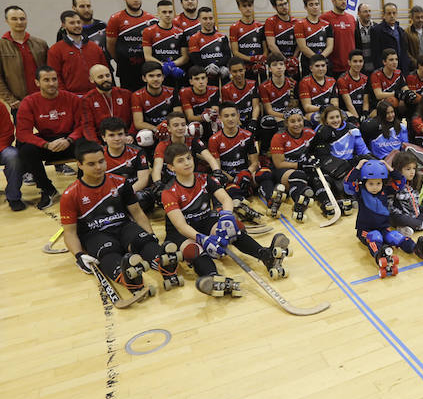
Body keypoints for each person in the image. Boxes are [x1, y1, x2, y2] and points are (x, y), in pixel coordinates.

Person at [161, 142, 290, 296]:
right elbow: (180, 226)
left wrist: (226, 217)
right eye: (180, 160)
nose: (187, 162)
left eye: (188, 158)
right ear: (171, 167)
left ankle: (265, 255)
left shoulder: (204, 178)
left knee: (232, 228)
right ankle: (212, 278)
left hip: (203, 221)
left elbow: (226, 200)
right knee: (194, 250)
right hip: (180, 231)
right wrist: (202, 239)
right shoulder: (168, 191)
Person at [61, 140, 178, 296]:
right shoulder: (70, 194)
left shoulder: (120, 183)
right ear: (79, 165)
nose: (98, 167)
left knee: (144, 241)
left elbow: (137, 213)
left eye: (101, 161)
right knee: (109, 251)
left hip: (123, 226)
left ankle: (163, 263)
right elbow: (69, 233)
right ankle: (129, 277)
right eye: (91, 164)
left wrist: (152, 235)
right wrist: (79, 256)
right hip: (95, 234)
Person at [345, 158, 423, 278]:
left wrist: (388, 167)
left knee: (395, 236)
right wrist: (358, 167)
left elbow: (400, 181)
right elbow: (348, 184)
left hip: (383, 228)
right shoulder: (360, 192)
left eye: (378, 183)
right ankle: (379, 255)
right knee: (375, 237)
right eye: (371, 183)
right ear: (364, 182)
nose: (375, 187)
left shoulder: (385, 191)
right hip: (366, 230)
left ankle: (416, 248)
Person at [16, 66, 84, 209]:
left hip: (68, 140)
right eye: (46, 80)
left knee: (88, 145)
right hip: (46, 142)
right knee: (25, 149)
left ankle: (82, 187)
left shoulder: (72, 99)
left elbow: (83, 125)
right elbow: (23, 133)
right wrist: (45, 144)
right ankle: (47, 189)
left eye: (54, 79)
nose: (52, 83)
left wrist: (69, 140)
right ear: (37, 82)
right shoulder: (29, 102)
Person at [206, 102, 264, 223]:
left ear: (238, 116)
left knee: (265, 174)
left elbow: (254, 162)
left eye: (233, 115)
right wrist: (233, 179)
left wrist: (246, 173)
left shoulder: (248, 135)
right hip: (228, 179)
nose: (230, 119)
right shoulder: (214, 140)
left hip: (245, 176)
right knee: (229, 187)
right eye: (226, 116)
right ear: (220, 118)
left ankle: (272, 202)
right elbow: (217, 169)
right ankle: (244, 209)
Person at [310, 105, 370, 217]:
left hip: (350, 165)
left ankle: (353, 197)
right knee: (321, 180)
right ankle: (327, 202)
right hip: (333, 168)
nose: (336, 120)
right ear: (326, 120)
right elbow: (318, 152)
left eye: (337, 117)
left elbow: (363, 151)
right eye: (331, 118)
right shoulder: (322, 131)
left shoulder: (353, 129)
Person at [266, 107, 319, 221]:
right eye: (292, 121)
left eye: (299, 120)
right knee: (298, 175)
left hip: (303, 168)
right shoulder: (278, 137)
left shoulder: (310, 133)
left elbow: (317, 152)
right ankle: (300, 200)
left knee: (315, 176)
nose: (297, 124)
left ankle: (309, 199)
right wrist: (299, 165)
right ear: (286, 123)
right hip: (283, 170)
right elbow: (279, 164)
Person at [107, 0, 157, 90]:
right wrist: (120, 60)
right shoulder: (116, 19)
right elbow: (110, 45)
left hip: (147, 68)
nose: (135, 0)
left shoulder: (151, 19)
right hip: (126, 70)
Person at [98, 117, 153, 214]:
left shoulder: (137, 152)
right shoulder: (98, 156)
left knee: (143, 198)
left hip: (133, 192)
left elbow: (143, 180)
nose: (117, 139)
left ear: (125, 135)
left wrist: (123, 194)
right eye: (111, 135)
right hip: (109, 195)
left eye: (120, 134)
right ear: (104, 137)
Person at [47, 10, 108, 95]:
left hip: (97, 95)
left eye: (79, 22)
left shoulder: (94, 47)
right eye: (72, 23)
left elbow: (104, 70)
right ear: (63, 25)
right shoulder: (55, 50)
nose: (77, 25)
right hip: (72, 97)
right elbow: (55, 76)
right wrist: (66, 96)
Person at [0, 5, 48, 113]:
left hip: (43, 100)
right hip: (18, 104)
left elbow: (50, 71)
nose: (19, 22)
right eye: (14, 19)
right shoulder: (1, 46)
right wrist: (10, 100)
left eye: (22, 19)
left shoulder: (41, 44)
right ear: (6, 21)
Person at [386, 150, 423, 232]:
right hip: (402, 216)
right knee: (397, 218)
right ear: (398, 170)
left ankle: (413, 225)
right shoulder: (393, 186)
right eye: (408, 169)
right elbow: (390, 208)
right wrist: (405, 217)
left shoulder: (413, 182)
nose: (412, 172)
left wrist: (415, 215)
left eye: (414, 168)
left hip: (414, 213)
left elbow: (416, 204)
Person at [142, 0, 189, 88]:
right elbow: (147, 57)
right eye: (164, 12)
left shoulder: (181, 32)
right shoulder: (148, 31)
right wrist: (163, 66)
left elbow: (185, 57)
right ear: (158, 14)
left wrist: (172, 65)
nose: (167, 15)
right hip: (157, 75)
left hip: (176, 73)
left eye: (170, 12)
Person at [81, 64, 133, 142]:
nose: (105, 79)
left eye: (107, 75)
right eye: (100, 77)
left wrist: (131, 135)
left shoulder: (126, 94)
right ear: (92, 80)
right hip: (102, 139)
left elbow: (135, 118)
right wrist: (97, 146)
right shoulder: (87, 99)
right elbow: (88, 126)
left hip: (126, 136)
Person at [257, 53, 295, 154]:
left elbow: (295, 106)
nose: (279, 67)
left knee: (305, 122)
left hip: (290, 115)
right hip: (275, 116)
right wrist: (285, 116)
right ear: (269, 69)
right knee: (267, 122)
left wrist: (291, 116)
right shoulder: (264, 86)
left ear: (285, 66)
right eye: (274, 65)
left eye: (281, 64)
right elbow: (269, 111)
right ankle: (265, 152)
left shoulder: (292, 83)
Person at [131, 61, 176, 137]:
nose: (156, 79)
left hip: (170, 128)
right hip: (151, 131)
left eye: (158, 75)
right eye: (151, 76)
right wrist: (157, 129)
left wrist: (166, 127)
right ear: (144, 78)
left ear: (163, 77)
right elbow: (138, 123)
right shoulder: (137, 95)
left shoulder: (172, 92)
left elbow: (178, 115)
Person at [188, 7, 231, 85]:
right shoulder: (194, 38)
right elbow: (195, 60)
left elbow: (227, 56)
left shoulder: (222, 37)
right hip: (204, 78)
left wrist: (219, 66)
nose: (208, 21)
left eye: (210, 18)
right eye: (205, 19)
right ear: (199, 20)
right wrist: (207, 68)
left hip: (222, 75)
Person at [229, 0, 266, 82]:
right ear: (239, 8)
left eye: (250, 5)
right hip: (244, 68)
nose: (248, 8)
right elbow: (235, 52)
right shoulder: (234, 27)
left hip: (260, 67)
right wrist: (251, 59)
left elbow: (265, 49)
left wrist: (261, 60)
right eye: (244, 6)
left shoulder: (261, 26)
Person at [295, 0, 333, 75]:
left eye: (317, 4)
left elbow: (330, 46)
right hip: (308, 63)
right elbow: (303, 47)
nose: (315, 7)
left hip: (324, 63)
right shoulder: (300, 24)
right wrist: (316, 60)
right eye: (311, 5)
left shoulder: (327, 25)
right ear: (306, 7)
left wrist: (321, 59)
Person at [220, 57, 260, 132]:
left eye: (240, 70)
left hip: (252, 120)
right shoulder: (225, 89)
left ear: (245, 69)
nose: (238, 74)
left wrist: (253, 121)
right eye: (235, 71)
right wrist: (239, 124)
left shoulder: (253, 84)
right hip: (236, 122)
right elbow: (229, 111)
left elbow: (256, 106)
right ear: (230, 72)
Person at [320, 0, 356, 75]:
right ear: (333, 1)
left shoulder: (351, 18)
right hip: (334, 67)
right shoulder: (324, 18)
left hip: (351, 66)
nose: (343, 2)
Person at [264, 0, 301, 70]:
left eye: (285, 3)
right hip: (278, 64)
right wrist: (284, 60)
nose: (284, 7)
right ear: (274, 7)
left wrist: (293, 59)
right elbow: (271, 45)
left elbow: (299, 44)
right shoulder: (270, 21)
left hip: (292, 63)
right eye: (280, 5)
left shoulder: (296, 22)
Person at [180, 66, 220, 139]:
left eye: (203, 78)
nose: (201, 82)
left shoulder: (214, 90)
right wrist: (203, 117)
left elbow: (215, 112)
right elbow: (190, 117)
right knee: (193, 128)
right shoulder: (185, 92)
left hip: (211, 122)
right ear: (191, 82)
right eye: (197, 79)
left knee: (220, 123)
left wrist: (211, 115)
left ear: (207, 80)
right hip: (196, 123)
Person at [371, 2, 411, 74]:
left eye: (394, 13)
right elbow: (375, 53)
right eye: (389, 13)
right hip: (386, 69)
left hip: (400, 67)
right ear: (384, 15)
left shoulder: (400, 30)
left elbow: (404, 51)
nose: (392, 16)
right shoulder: (376, 30)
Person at [297, 54, 336, 123]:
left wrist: (327, 110)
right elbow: (307, 107)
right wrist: (321, 108)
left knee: (345, 115)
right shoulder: (304, 82)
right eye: (317, 66)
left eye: (323, 66)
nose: (321, 69)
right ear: (311, 68)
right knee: (316, 118)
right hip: (314, 112)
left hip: (330, 111)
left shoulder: (332, 81)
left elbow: (335, 104)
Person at [0, 103, 24, 210]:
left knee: (13, 156)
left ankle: (13, 197)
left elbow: (8, 133)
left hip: (1, 148)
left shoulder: (0, 106)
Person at [338, 49, 369, 121]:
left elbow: (366, 101)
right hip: (349, 113)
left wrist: (365, 114)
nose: (358, 64)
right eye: (355, 61)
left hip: (362, 112)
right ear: (349, 62)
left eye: (360, 61)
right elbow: (348, 104)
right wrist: (357, 119)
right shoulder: (342, 80)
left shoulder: (366, 79)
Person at [354, 3, 376, 74]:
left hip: (375, 68)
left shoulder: (377, 28)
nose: (368, 13)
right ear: (358, 13)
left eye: (369, 11)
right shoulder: (354, 28)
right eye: (365, 11)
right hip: (360, 68)